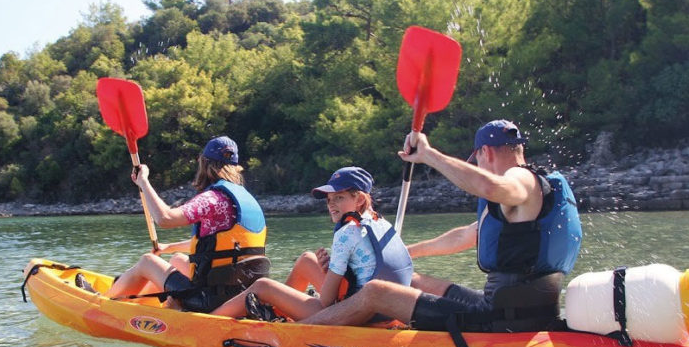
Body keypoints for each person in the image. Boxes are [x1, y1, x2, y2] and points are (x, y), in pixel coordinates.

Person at [300, 120, 582, 332]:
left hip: (500, 319)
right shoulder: (531, 197)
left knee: (376, 290)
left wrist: (428, 154)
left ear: (486, 152)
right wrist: (404, 252)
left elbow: (487, 185)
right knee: (410, 280)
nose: (479, 165)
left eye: (478, 159)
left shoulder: (519, 180)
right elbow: (463, 236)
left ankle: (300, 332)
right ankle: (359, 319)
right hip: (519, 309)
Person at [210, 166, 413, 322]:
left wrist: (331, 276)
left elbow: (325, 301)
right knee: (308, 259)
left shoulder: (347, 232)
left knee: (263, 286)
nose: (331, 204)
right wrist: (334, 268)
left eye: (339, 197)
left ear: (359, 199)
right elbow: (367, 266)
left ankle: (209, 321)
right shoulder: (380, 222)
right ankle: (280, 313)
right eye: (329, 199)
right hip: (380, 309)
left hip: (353, 313)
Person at [101, 136, 270, 313]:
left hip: (209, 299)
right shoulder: (248, 201)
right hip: (242, 296)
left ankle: (102, 304)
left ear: (204, 164)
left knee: (147, 262)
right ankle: (145, 306)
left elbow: (165, 218)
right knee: (178, 260)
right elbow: (220, 248)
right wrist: (169, 247)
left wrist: (143, 181)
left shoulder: (212, 199)